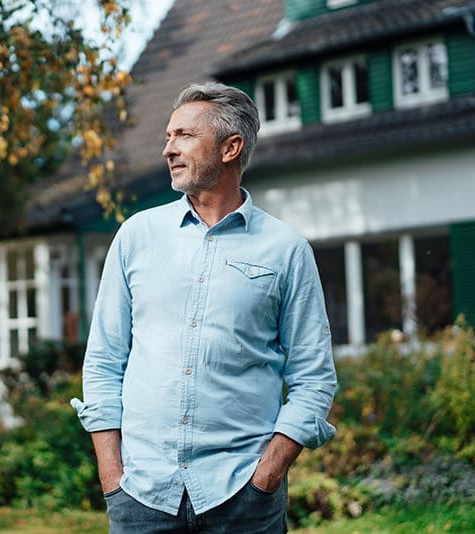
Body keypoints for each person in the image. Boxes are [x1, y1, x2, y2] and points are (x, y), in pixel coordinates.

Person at [71, 82, 337, 533]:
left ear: (231, 147)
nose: (168, 149)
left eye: (185, 136)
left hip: (243, 498)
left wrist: (268, 474)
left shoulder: (285, 250)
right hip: (142, 495)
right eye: (168, 137)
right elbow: (103, 361)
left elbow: (314, 378)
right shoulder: (137, 236)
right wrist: (111, 476)